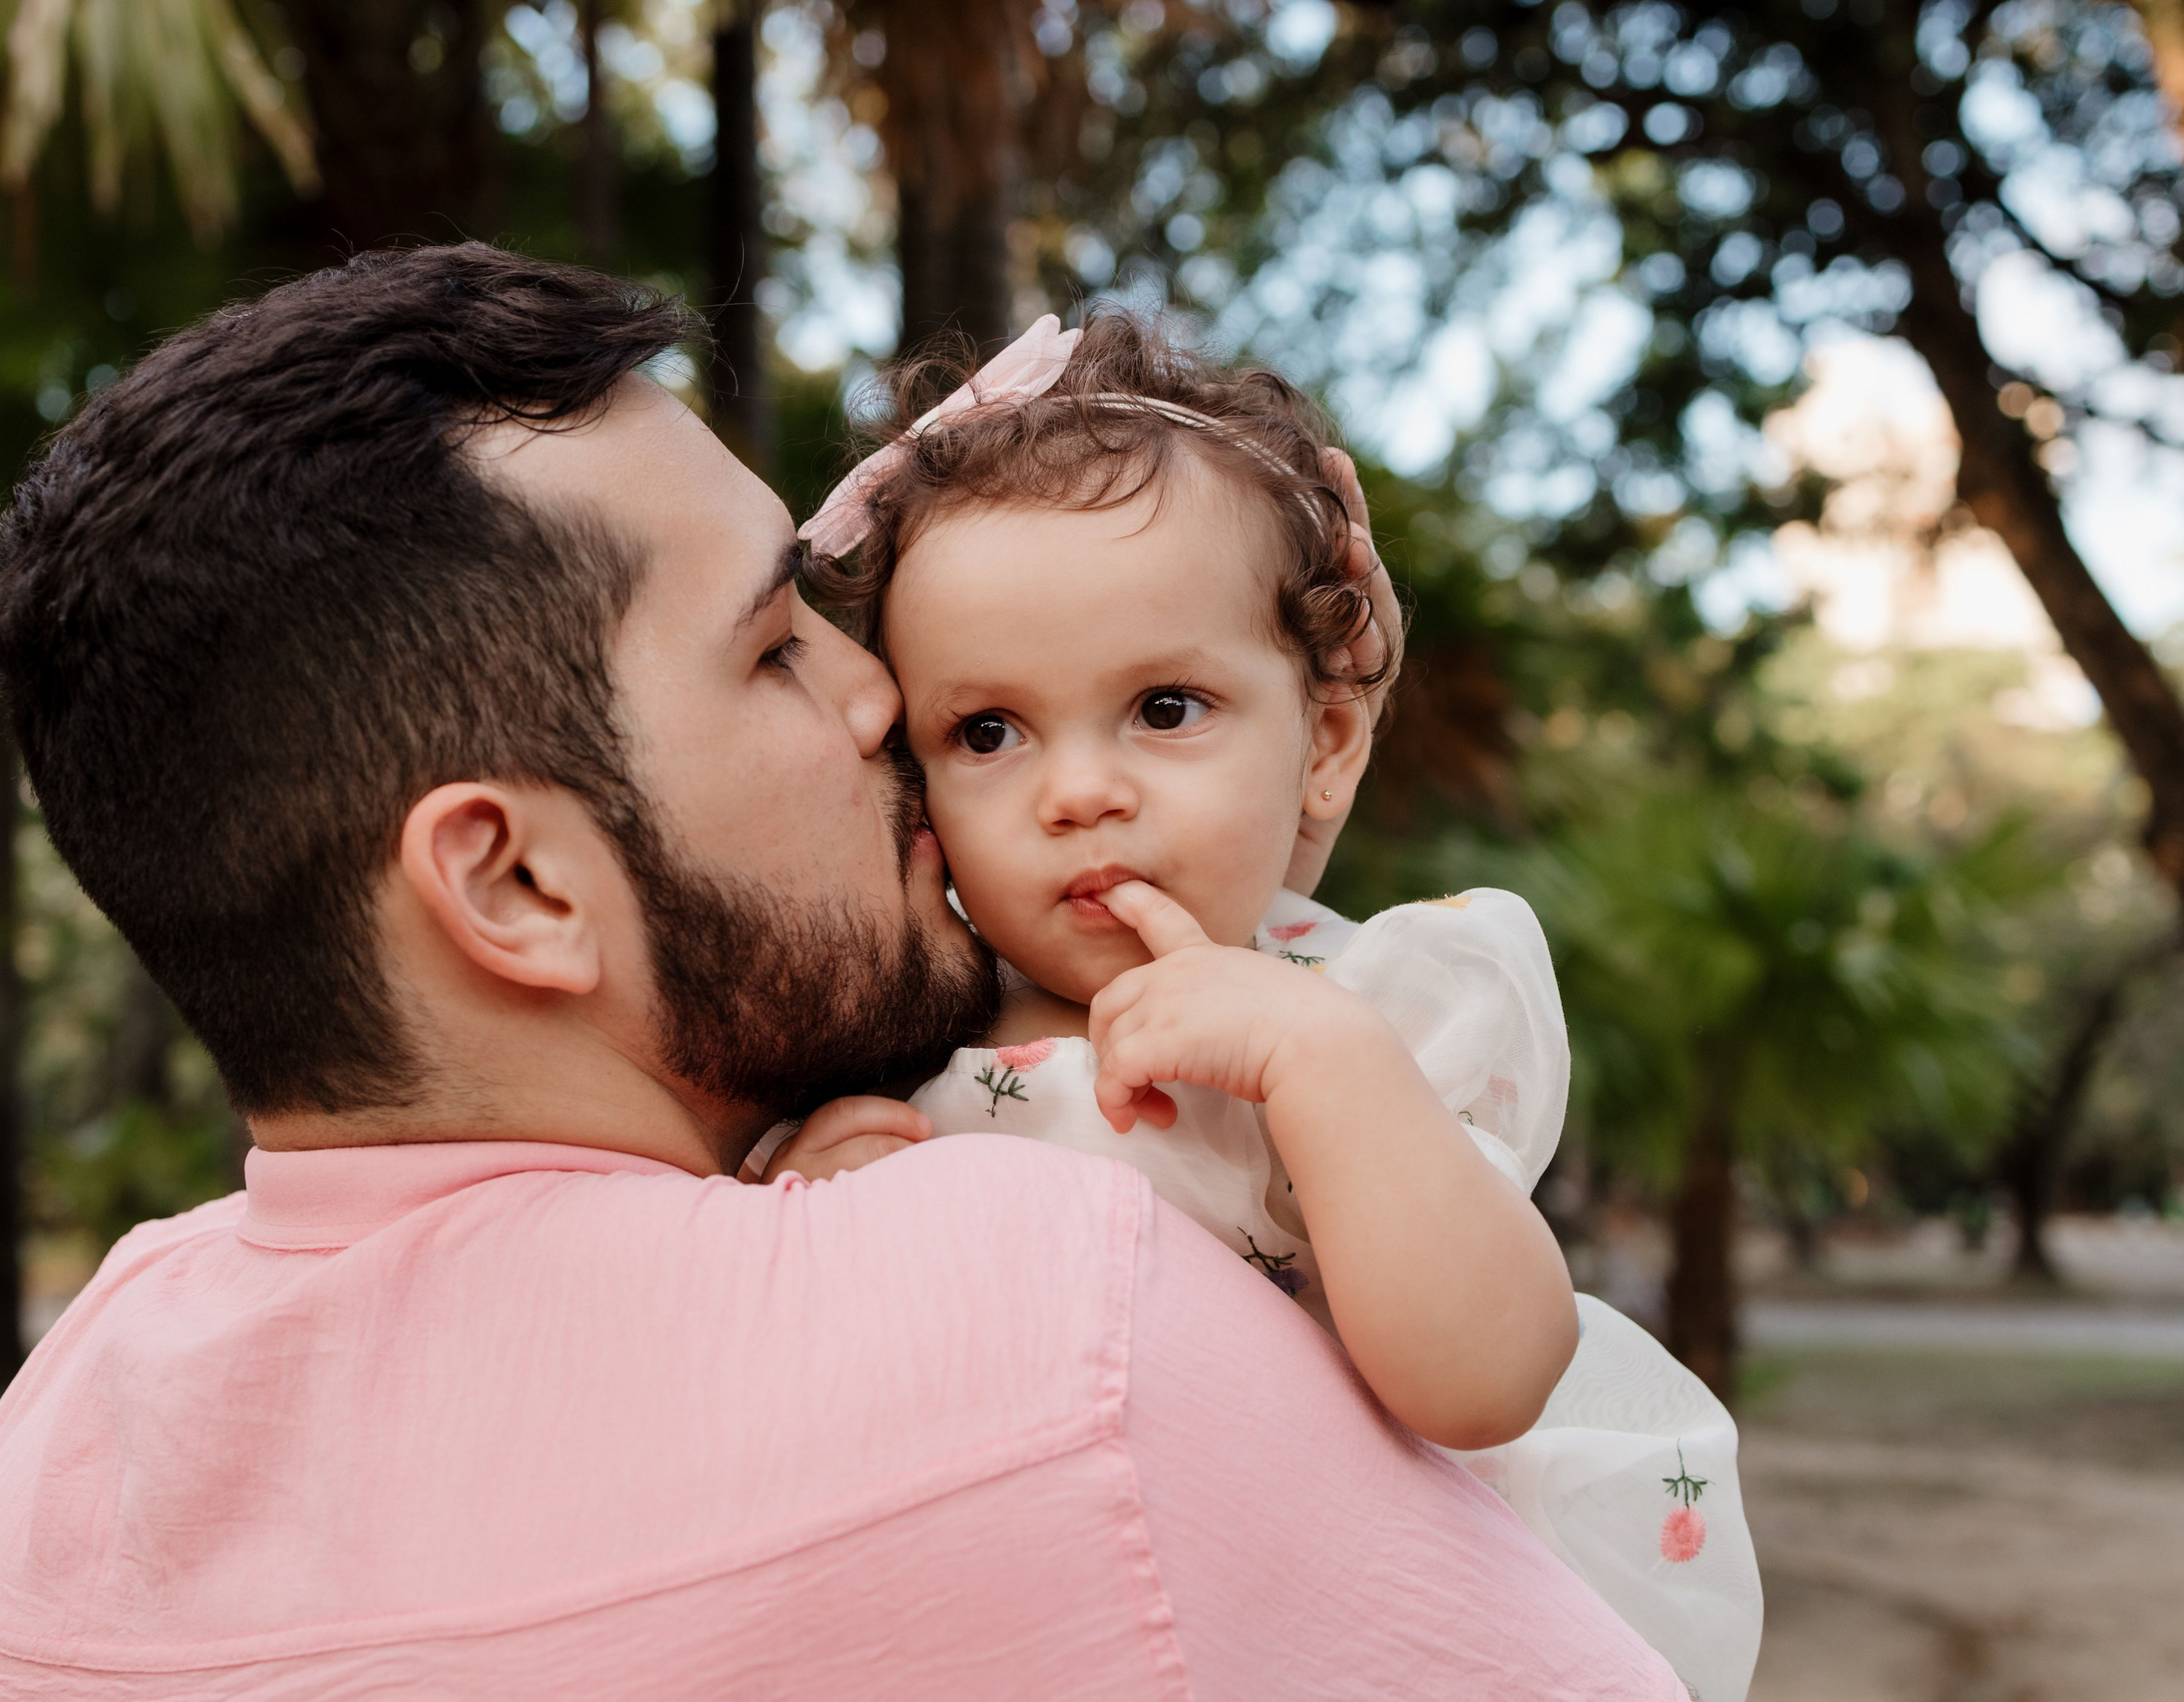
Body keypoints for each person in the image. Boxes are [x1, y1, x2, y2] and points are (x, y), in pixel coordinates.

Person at [0, 242, 1685, 1698]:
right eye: (776, 646)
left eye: (1164, 707)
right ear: (521, 883)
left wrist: (1238, 858)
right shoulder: (1056, 1311)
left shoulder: (50, 1474)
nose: (883, 709)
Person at [754, 313, 1761, 1702]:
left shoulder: (1355, 1009)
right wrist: (817, 1218)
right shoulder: (901, 1032)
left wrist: (1326, 1071)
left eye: (1165, 706)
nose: (1078, 790)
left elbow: (1491, 1376)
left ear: (1325, 744)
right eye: (987, 732)